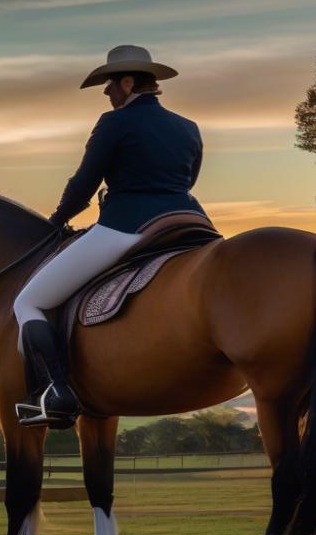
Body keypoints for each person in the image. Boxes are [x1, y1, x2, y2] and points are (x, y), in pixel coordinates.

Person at [14, 44, 208, 428]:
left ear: (128, 81)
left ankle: (58, 393)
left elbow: (84, 184)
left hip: (127, 226)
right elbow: (190, 180)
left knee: (28, 302)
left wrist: (57, 220)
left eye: (109, 84)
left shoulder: (114, 123)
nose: (106, 92)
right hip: (192, 223)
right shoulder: (189, 127)